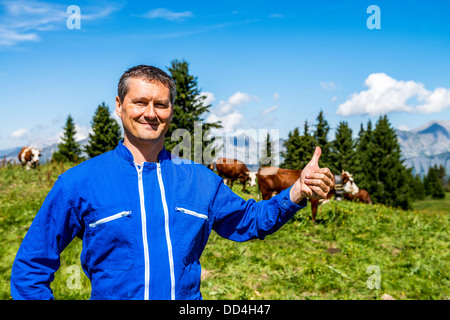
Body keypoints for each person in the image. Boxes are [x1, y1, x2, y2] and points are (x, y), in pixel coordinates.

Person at [10, 65, 333, 300]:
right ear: (119, 106)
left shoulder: (200, 180)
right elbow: (31, 268)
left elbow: (250, 221)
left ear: (170, 112)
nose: (150, 113)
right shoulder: (79, 182)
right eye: (140, 102)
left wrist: (296, 191)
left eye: (160, 104)